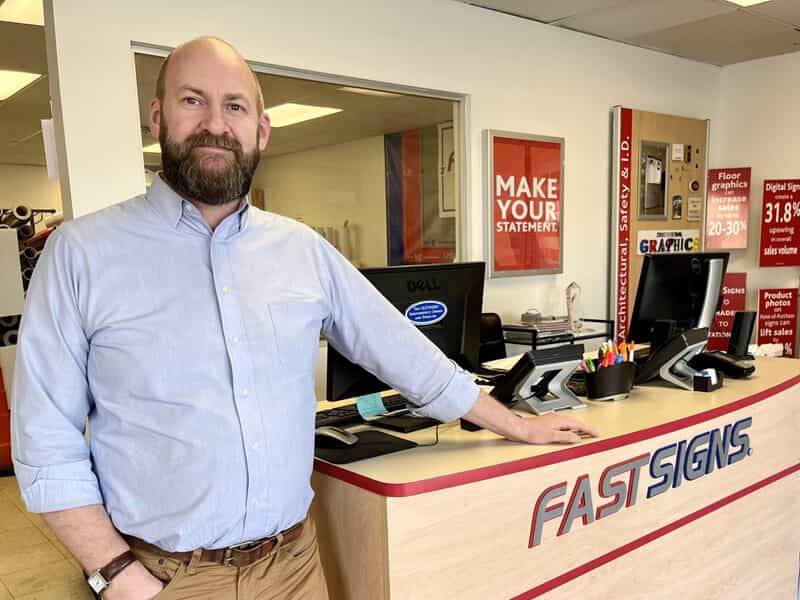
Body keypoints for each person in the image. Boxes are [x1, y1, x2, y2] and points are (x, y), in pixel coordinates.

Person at [11, 37, 598, 600]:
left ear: (260, 130)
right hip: (163, 576)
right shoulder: (83, 253)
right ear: (158, 115)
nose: (216, 122)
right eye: (193, 100)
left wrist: (516, 423)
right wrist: (115, 574)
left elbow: (404, 351)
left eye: (235, 105)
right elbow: (45, 442)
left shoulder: (301, 250)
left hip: (293, 568)